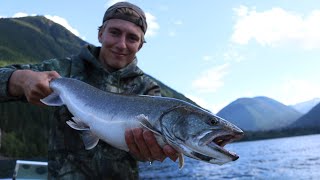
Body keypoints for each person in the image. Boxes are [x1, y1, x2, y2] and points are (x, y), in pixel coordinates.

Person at [0, 2, 178, 179]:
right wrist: (20, 79)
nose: (121, 44)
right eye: (115, 32)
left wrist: (148, 152)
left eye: (132, 38)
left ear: (140, 46)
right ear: (101, 34)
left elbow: (149, 150)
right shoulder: (64, 70)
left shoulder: (148, 90)